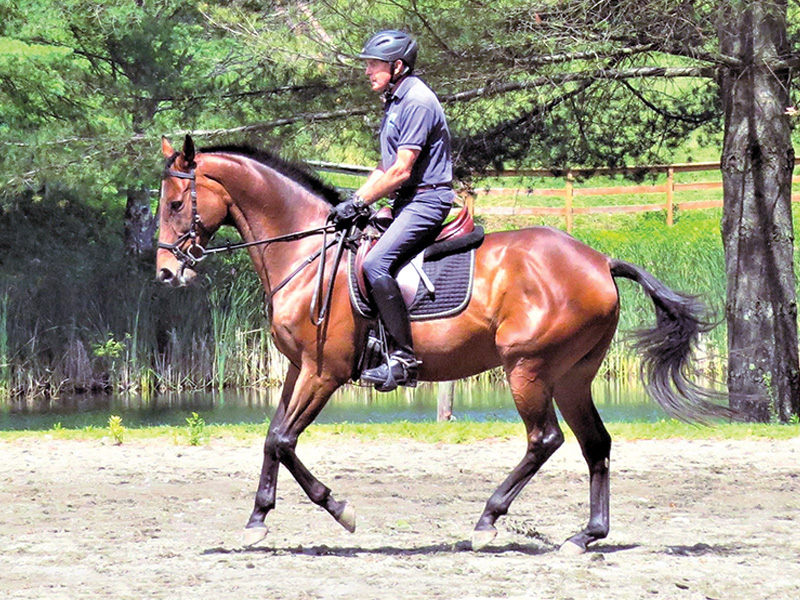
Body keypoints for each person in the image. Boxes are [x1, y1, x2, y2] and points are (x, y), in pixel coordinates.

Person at [331, 29, 455, 392]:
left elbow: (401, 170)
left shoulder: (416, 101)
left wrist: (360, 202)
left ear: (397, 66)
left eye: (374, 64)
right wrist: (355, 201)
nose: (367, 70)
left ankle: (403, 359)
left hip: (426, 201)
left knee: (375, 263)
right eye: (368, 63)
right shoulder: (396, 101)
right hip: (406, 200)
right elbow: (385, 168)